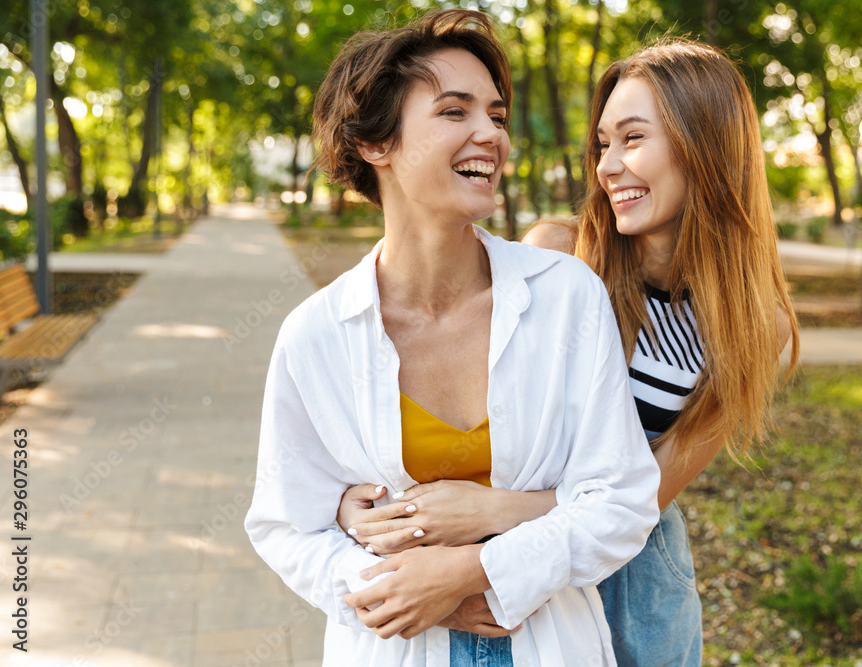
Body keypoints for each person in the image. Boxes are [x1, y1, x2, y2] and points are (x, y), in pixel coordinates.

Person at [337, 36, 800, 666]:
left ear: (707, 148)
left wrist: (492, 509)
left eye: (632, 139)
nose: (607, 165)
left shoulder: (754, 324)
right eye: (603, 143)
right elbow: (452, 407)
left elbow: (649, 493)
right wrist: (349, 501)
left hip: (634, 580)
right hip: (495, 558)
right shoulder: (558, 258)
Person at [243, 9, 661, 667]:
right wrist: (377, 584)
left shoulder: (565, 296)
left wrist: (478, 570)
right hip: (393, 649)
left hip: (550, 643)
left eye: (495, 116)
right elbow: (286, 523)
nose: (489, 135)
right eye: (454, 112)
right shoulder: (315, 337)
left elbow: (623, 502)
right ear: (376, 144)